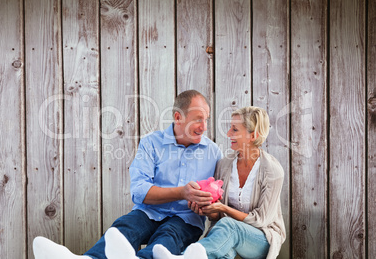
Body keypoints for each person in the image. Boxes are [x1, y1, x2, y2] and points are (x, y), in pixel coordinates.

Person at [33, 90, 222, 259]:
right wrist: (182, 193)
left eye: (206, 119)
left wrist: (207, 207)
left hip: (186, 220)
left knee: (169, 236)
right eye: (198, 119)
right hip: (149, 212)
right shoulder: (151, 143)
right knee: (125, 227)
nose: (204, 127)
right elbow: (140, 192)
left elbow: (219, 202)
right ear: (178, 117)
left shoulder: (213, 152)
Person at [152, 106, 286, 259]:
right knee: (223, 252)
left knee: (229, 226)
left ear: (253, 135)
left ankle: (183, 257)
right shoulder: (224, 164)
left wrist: (224, 209)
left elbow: (261, 220)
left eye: (234, 130)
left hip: (262, 238)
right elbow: (217, 217)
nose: (228, 134)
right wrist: (209, 209)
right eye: (230, 128)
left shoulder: (272, 170)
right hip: (227, 234)